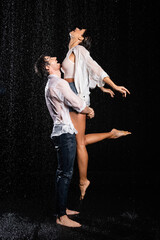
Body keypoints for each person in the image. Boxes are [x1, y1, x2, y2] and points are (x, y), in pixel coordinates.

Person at [61, 27, 131, 200]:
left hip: (75, 94)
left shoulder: (79, 49)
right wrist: (102, 88)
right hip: (69, 93)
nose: (77, 28)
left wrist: (113, 85)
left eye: (80, 30)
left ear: (80, 38)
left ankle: (83, 181)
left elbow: (95, 68)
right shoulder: (72, 49)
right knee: (80, 139)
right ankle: (111, 134)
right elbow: (84, 72)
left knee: (80, 143)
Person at [34, 55, 94, 227]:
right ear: (47, 67)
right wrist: (89, 110)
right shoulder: (59, 83)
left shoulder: (51, 84)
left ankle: (62, 209)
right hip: (65, 134)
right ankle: (61, 217)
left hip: (61, 132)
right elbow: (77, 103)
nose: (55, 58)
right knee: (65, 174)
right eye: (51, 59)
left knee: (63, 173)